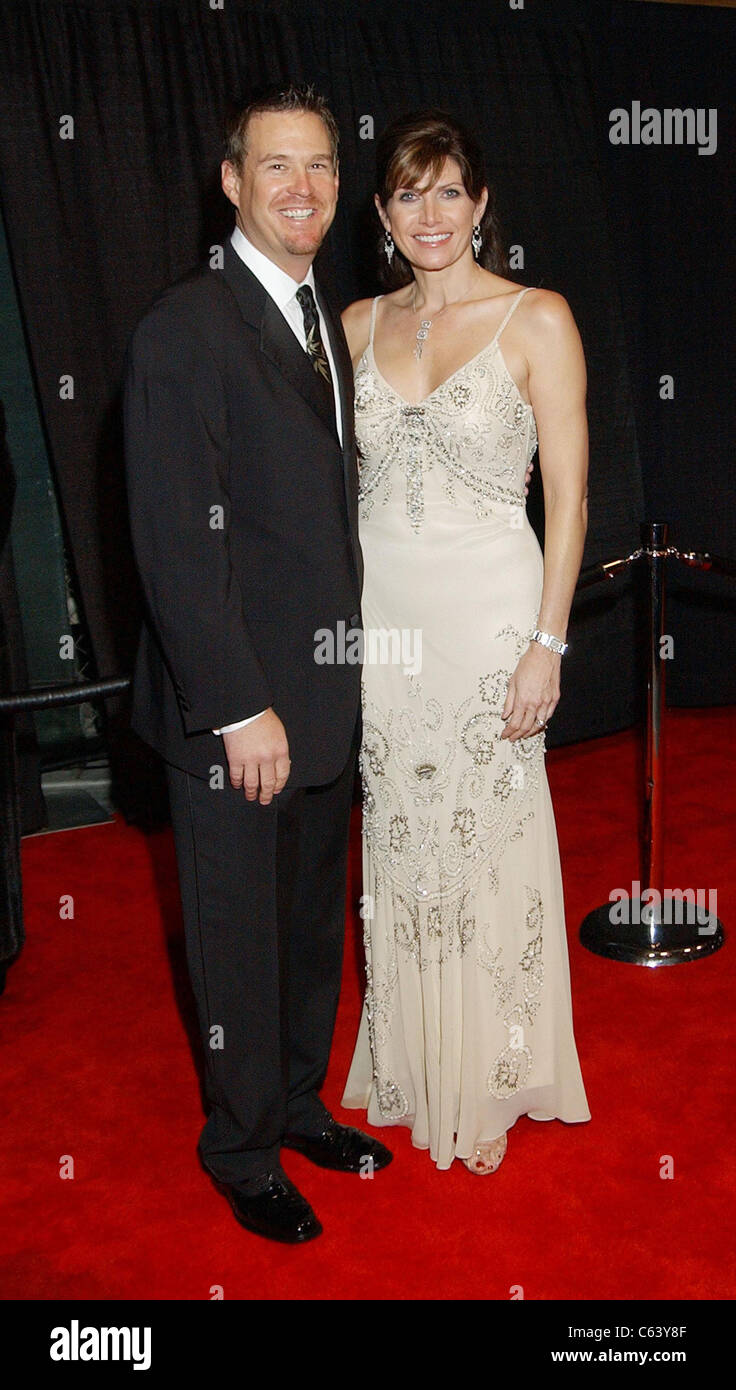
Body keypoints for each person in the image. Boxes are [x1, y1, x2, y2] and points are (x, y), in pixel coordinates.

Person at [124, 85, 391, 1245]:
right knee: (236, 938)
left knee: (302, 929)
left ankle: (293, 1104)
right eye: (276, 167)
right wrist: (239, 706)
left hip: (321, 695)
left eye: (322, 168)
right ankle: (237, 1146)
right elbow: (178, 538)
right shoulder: (185, 325)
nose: (303, 189)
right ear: (229, 180)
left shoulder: (314, 314)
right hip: (238, 712)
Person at [340, 110, 591, 1173]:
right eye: (407, 194)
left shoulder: (536, 317)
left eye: (448, 192)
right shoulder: (352, 325)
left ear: (481, 204)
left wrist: (549, 642)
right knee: (402, 833)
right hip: (386, 625)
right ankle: (413, 1057)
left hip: (493, 615)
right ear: (384, 211)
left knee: (486, 841)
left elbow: (572, 499)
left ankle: (495, 1067)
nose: (429, 214)